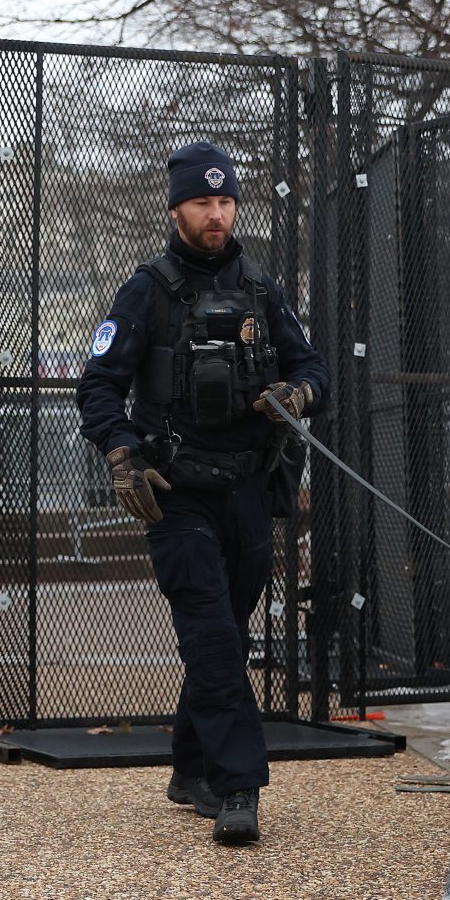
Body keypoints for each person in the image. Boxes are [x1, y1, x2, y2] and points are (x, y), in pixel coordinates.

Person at [75, 141, 327, 845]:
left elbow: (314, 367)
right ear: (177, 209)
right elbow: (96, 388)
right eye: (201, 203)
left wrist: (298, 391)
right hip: (175, 491)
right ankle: (237, 784)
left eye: (224, 202)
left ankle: (188, 768)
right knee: (214, 638)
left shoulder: (262, 288)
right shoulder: (146, 291)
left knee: (226, 631)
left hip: (248, 489)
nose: (216, 215)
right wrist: (122, 454)